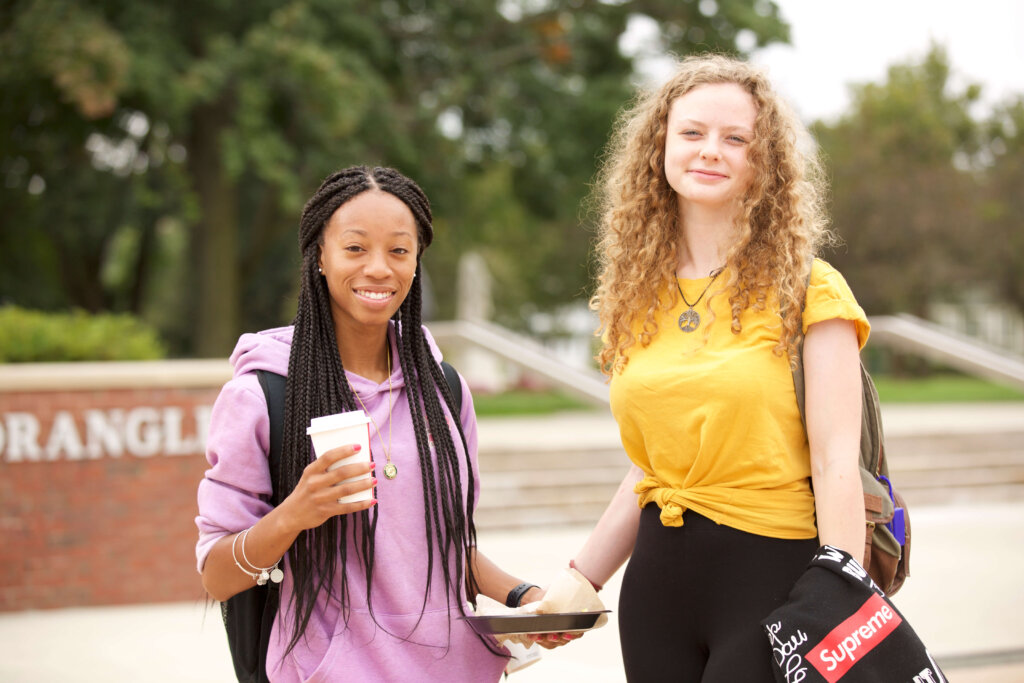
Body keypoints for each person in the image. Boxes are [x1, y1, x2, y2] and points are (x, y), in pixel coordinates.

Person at [195, 165, 564, 682]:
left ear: (416, 261)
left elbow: (439, 546)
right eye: (354, 248)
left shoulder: (444, 389)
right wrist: (295, 514)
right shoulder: (261, 396)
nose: (378, 268)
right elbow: (216, 575)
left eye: (398, 250)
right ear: (319, 257)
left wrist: (524, 598)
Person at [569, 55, 871, 681]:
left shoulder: (809, 289)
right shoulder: (635, 296)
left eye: (736, 139)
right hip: (657, 585)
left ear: (764, 163)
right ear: (660, 148)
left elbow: (836, 457)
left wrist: (844, 586)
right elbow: (652, 467)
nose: (712, 151)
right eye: (693, 133)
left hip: (774, 574)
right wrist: (581, 578)